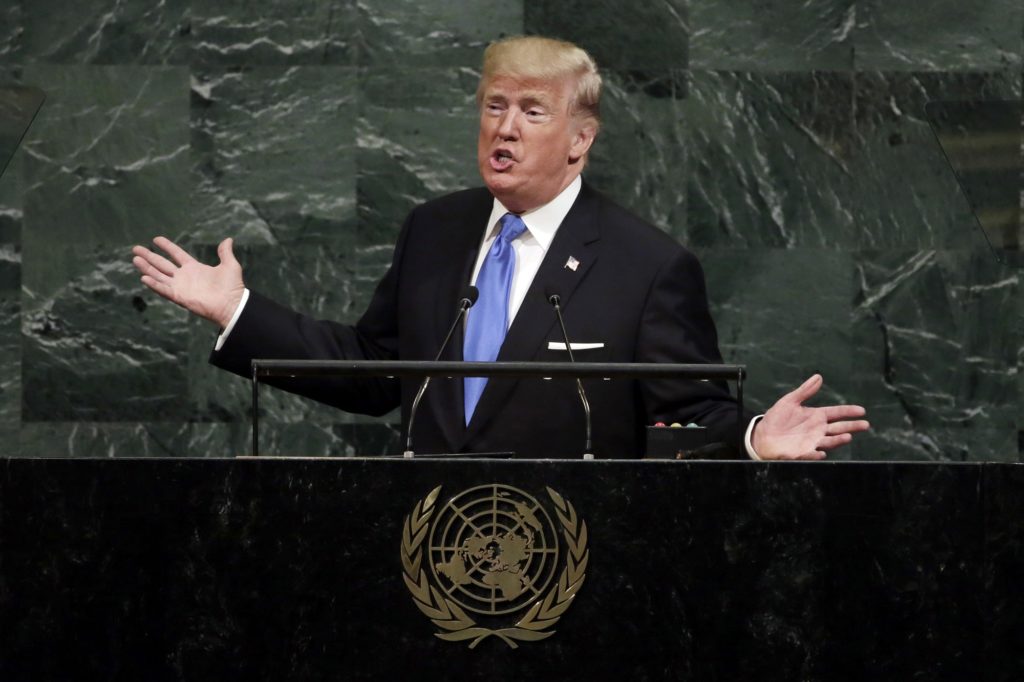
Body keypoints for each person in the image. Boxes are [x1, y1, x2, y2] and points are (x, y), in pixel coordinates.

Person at [132, 36, 868, 460]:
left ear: (580, 140)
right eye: (494, 106)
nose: (505, 128)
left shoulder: (649, 266)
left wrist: (747, 439)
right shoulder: (435, 229)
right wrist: (239, 311)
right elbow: (379, 370)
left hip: (572, 564)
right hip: (426, 556)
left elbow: (680, 418)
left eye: (532, 111)